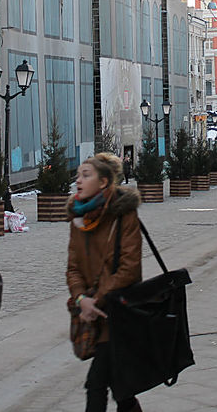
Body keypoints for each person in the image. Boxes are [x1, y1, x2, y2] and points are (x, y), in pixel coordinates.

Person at [66, 153, 143, 412]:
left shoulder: (123, 215)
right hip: (92, 314)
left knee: (96, 384)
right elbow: (73, 268)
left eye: (85, 175)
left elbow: (129, 269)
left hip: (118, 312)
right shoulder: (78, 218)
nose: (78, 180)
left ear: (103, 182)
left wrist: (94, 301)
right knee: (122, 391)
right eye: (77, 175)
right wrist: (80, 299)